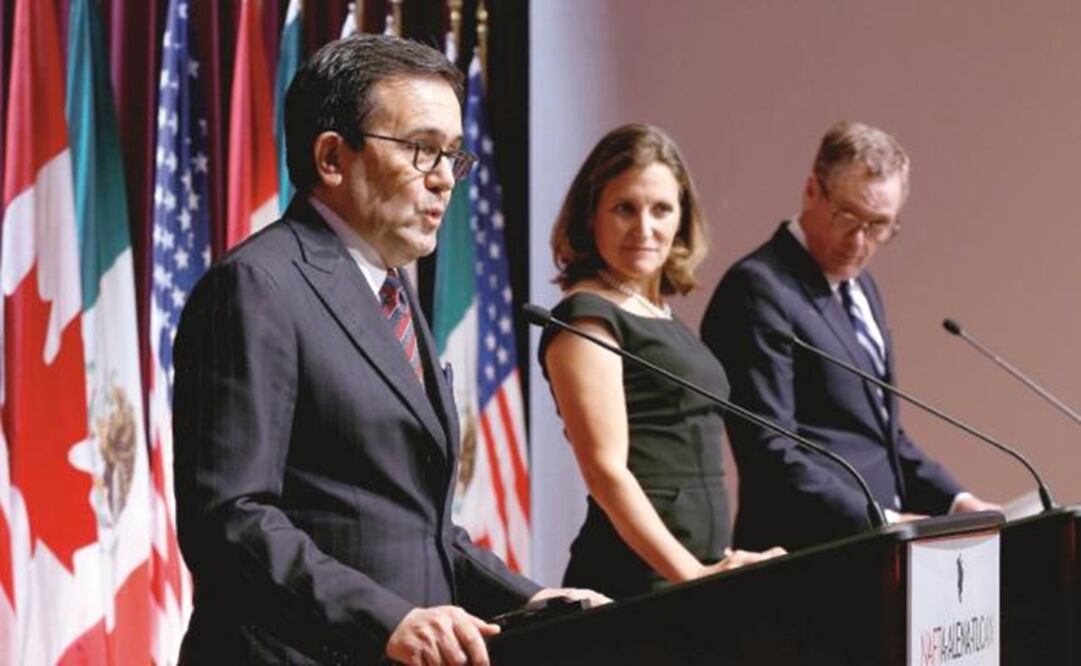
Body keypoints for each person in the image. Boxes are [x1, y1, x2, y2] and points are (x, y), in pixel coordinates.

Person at [172, 35, 604, 666]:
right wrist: (385, 620)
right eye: (422, 150)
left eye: (453, 156)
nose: (443, 181)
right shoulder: (256, 288)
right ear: (330, 157)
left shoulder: (390, 289)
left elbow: (416, 527)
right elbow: (230, 521)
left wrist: (535, 600)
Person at [700, 120, 999, 552]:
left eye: (879, 225)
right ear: (811, 190)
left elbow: (881, 436)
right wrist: (884, 520)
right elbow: (771, 450)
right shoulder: (759, 288)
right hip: (809, 556)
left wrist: (957, 502)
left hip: (878, 554)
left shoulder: (861, 287)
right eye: (847, 217)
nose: (859, 242)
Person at [539, 124, 784, 600]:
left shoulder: (657, 313)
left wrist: (720, 564)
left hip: (691, 575)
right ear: (591, 215)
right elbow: (606, 471)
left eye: (661, 210)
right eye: (624, 208)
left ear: (682, 219)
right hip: (636, 584)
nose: (645, 229)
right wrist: (691, 576)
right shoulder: (587, 316)